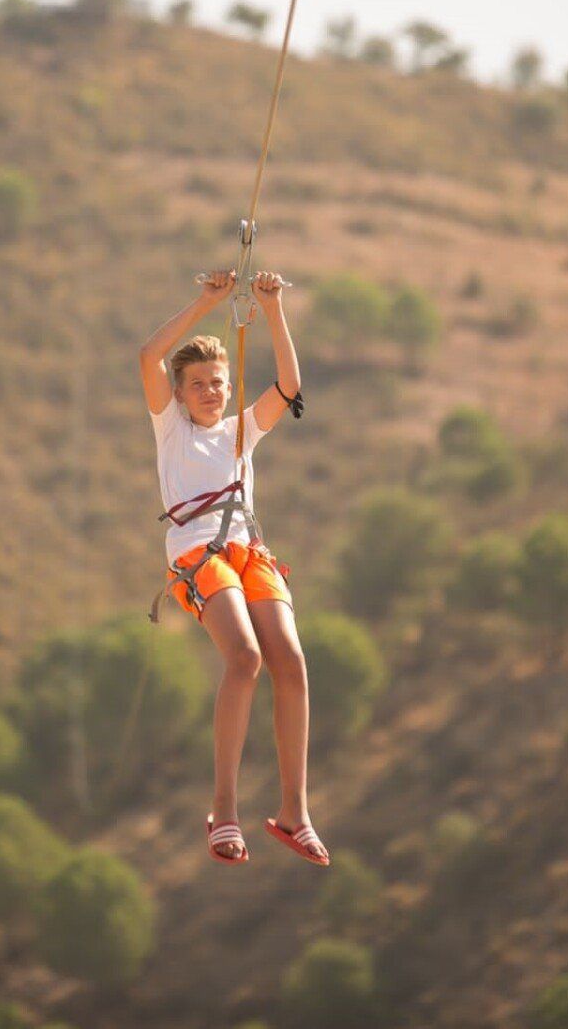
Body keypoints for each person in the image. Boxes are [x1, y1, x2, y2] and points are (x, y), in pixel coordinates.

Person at [139, 269, 330, 867]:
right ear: (179, 391)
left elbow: (291, 384)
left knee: (290, 661)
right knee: (244, 659)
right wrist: (206, 302)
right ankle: (224, 810)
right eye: (197, 384)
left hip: (248, 550)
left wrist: (272, 309)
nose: (211, 392)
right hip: (197, 552)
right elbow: (150, 354)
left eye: (217, 383)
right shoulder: (169, 427)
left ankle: (294, 811)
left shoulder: (239, 431)